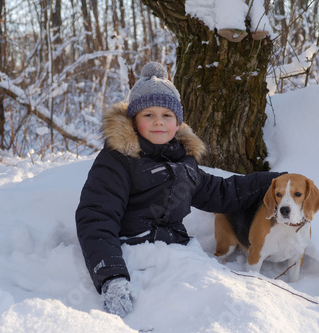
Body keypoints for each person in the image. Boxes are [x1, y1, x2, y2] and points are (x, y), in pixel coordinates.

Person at [75, 62, 283, 318]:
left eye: (167, 115)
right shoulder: (117, 160)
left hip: (179, 254)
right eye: (148, 115)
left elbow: (222, 192)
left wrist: (275, 182)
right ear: (134, 120)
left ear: (177, 121)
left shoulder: (182, 161)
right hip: (134, 256)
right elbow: (97, 218)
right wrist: (112, 277)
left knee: (223, 305)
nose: (158, 122)